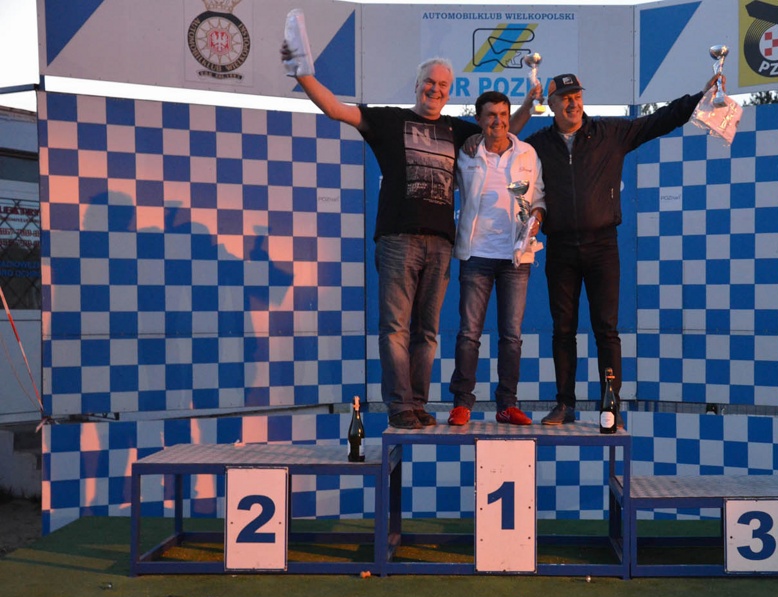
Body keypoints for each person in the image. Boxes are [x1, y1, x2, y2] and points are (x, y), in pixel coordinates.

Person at [280, 41, 538, 429]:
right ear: (417, 85)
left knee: (427, 333)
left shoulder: (457, 130)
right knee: (396, 329)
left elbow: (501, 131)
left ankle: (417, 404)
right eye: (429, 82)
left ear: (450, 93)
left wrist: (528, 104)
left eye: (443, 86)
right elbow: (335, 109)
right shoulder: (389, 121)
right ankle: (400, 406)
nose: (435, 89)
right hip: (398, 241)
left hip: (441, 244)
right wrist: (302, 74)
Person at [524, 72, 719, 425]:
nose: (573, 103)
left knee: (606, 330)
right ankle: (565, 404)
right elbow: (503, 151)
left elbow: (659, 120)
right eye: (564, 98)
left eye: (577, 96)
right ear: (550, 105)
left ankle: (610, 406)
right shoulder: (536, 145)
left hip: (602, 246)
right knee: (563, 330)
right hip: (560, 247)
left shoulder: (610, 132)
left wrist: (699, 97)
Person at [447, 91, 545, 427]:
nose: (498, 121)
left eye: (503, 115)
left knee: (512, 336)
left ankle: (507, 404)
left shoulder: (527, 153)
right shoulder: (466, 154)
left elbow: (539, 198)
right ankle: (462, 403)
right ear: (478, 119)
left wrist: (537, 218)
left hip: (516, 257)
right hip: (476, 254)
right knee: (469, 334)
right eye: (490, 115)